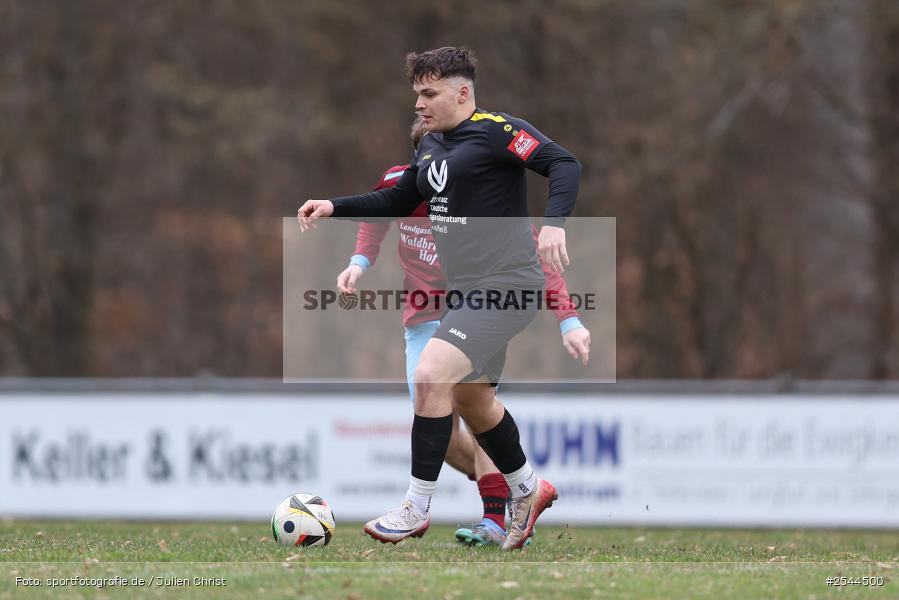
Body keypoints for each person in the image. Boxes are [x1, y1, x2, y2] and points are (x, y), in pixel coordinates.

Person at [298, 46, 582, 550]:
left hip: (508, 286)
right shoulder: (430, 147)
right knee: (475, 400)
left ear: (462, 92)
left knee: (430, 376)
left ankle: (415, 506)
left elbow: (563, 164)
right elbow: (395, 199)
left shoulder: (497, 131)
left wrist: (554, 227)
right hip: (468, 294)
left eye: (429, 94)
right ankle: (528, 489)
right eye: (416, 95)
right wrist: (333, 205)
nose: (420, 105)